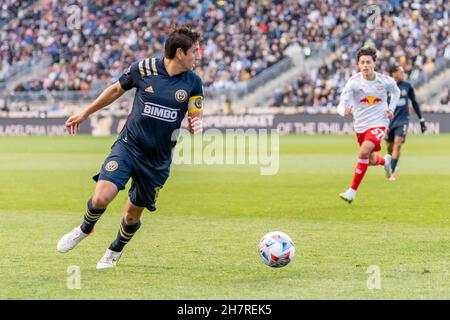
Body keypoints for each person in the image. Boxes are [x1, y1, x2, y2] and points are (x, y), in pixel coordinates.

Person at [57, 25, 204, 269]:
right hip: (129, 146)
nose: (198, 57)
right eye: (195, 52)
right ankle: (84, 229)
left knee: (131, 215)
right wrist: (84, 114)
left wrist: (195, 123)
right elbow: (115, 90)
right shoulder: (143, 68)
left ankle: (114, 251)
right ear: (180, 53)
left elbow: (195, 113)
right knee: (102, 196)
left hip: (157, 160)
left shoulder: (193, 82)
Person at [337, 47, 400, 203]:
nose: (365, 65)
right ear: (358, 64)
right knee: (370, 159)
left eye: (368, 62)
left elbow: (396, 92)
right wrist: (342, 111)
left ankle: (352, 191)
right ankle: (385, 161)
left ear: (374, 63)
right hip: (360, 125)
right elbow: (341, 103)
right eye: (362, 62)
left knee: (364, 150)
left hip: (379, 122)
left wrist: (391, 109)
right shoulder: (353, 82)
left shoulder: (385, 81)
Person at [385, 65, 426, 181]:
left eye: (403, 71)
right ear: (393, 73)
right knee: (389, 146)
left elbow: (415, 103)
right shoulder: (387, 86)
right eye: (400, 71)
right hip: (389, 121)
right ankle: (394, 165)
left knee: (397, 144)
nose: (402, 73)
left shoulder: (407, 86)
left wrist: (421, 120)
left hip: (403, 120)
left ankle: (391, 172)